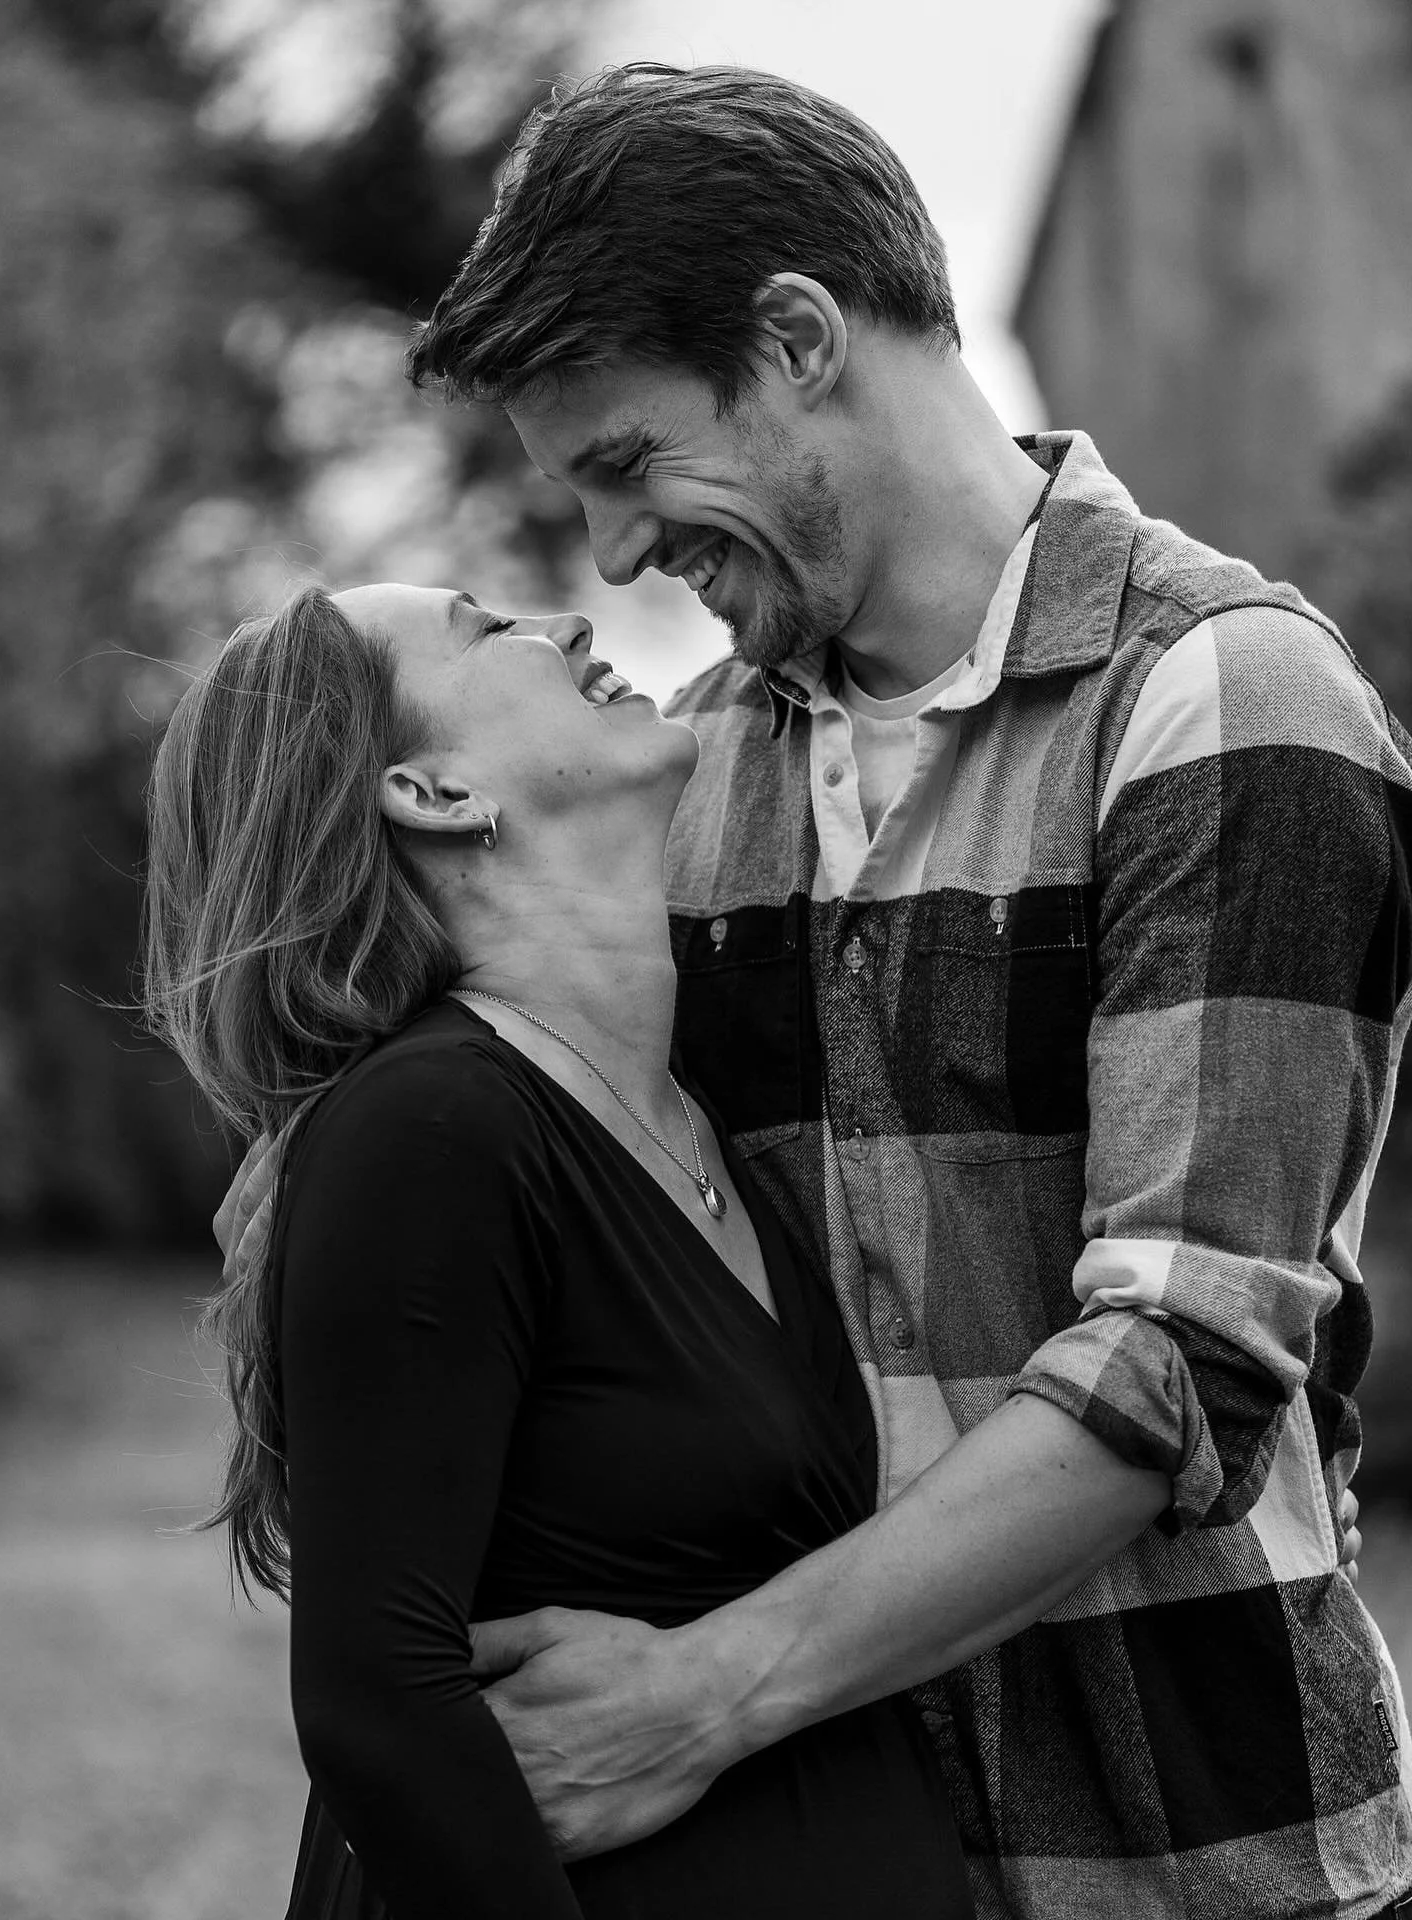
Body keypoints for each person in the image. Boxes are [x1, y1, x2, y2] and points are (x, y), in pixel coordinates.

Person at [389, 62, 1412, 1920]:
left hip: (1191, 1856)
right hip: (835, 1864)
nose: (614, 557)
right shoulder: (687, 777)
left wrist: (696, 1701)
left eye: (627, 465)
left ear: (796, 340)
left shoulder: (1220, 704)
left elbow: (1181, 1361)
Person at [142, 581, 977, 1919]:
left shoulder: (707, 1123)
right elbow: (377, 1705)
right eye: (489, 630)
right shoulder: (438, 1128)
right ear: (431, 790)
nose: (572, 627)